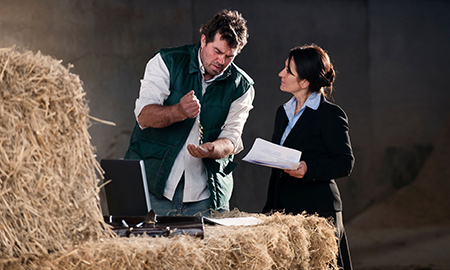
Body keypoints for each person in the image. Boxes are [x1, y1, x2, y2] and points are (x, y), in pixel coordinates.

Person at [124, 10, 254, 217]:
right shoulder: (166, 61)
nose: (222, 61)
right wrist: (179, 111)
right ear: (203, 40)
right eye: (217, 51)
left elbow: (232, 138)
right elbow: (144, 117)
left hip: (206, 195)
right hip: (154, 187)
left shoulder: (242, 85)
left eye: (230, 56)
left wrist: (212, 149)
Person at [262, 44, 354, 270]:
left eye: (288, 71)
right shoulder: (282, 112)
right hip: (283, 212)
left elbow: (345, 162)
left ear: (305, 82)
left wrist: (308, 168)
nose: (281, 74)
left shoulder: (330, 114)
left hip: (318, 214)